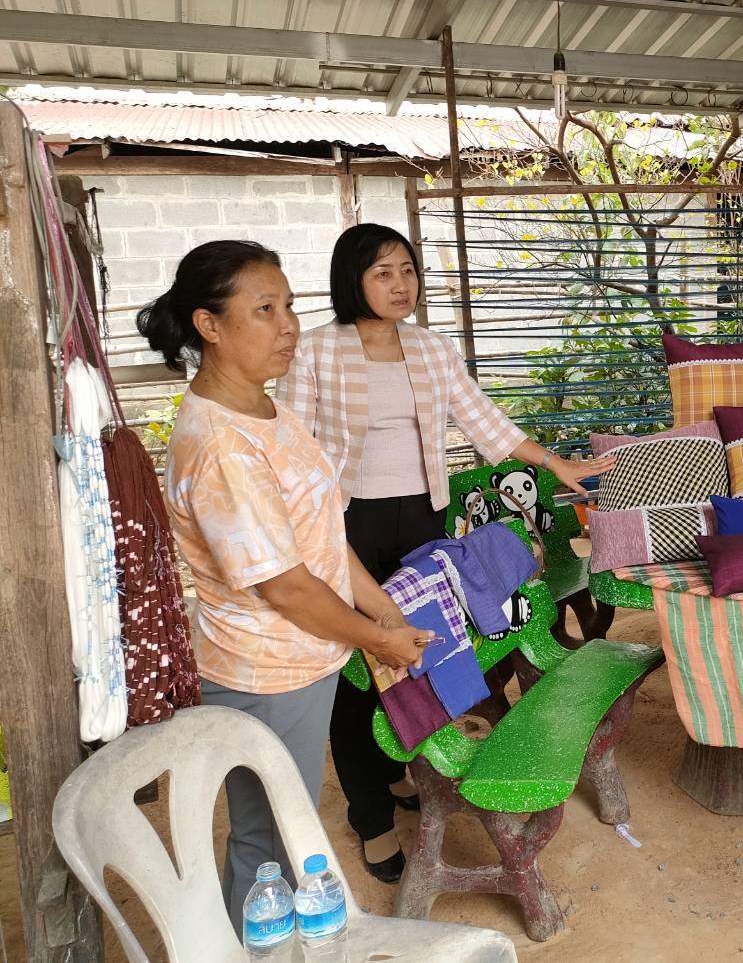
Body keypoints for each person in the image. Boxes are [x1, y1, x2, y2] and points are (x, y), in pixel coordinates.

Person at [275, 222, 613, 881]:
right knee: (361, 662)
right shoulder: (316, 351)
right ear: (352, 279)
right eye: (382, 273)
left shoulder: (431, 349)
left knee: (424, 650)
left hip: (423, 519)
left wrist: (552, 462)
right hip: (347, 525)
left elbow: (483, 419)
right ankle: (370, 815)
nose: (400, 285)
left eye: (406, 270)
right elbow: (292, 448)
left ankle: (400, 770)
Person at [138, 240, 433, 925]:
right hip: (264, 672)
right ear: (209, 326)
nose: (288, 325)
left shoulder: (265, 410)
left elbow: (322, 535)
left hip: (302, 659)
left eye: (290, 306)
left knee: (281, 822)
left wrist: (382, 610)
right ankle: (253, 944)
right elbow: (285, 587)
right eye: (264, 309)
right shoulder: (220, 445)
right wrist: (377, 639)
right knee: (267, 837)